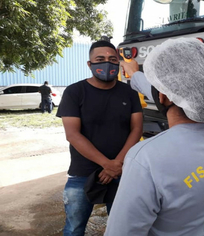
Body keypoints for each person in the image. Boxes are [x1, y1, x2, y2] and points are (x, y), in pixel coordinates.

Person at [105, 38, 204, 236]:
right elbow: (187, 92)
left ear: (163, 97)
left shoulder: (147, 159)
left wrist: (134, 74)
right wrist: (135, 75)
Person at [56, 40, 143, 236]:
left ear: (118, 63)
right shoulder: (74, 92)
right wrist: (107, 164)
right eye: (100, 59)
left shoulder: (128, 92)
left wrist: (117, 164)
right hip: (83, 174)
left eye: (112, 59)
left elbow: (137, 128)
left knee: (122, 229)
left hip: (122, 173)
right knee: (74, 228)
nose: (107, 63)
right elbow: (72, 134)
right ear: (90, 64)